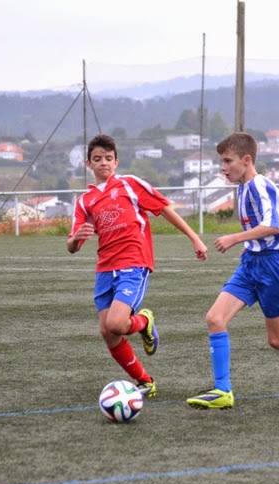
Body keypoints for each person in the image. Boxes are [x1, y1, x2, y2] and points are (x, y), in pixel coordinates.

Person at [186, 132, 279, 411]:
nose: (223, 167)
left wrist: (235, 238)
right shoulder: (242, 188)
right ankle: (222, 391)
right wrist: (249, 244)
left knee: (276, 340)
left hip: (274, 267)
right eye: (222, 162)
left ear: (247, 159)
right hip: (252, 264)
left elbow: (273, 225)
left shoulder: (259, 185)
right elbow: (260, 228)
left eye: (228, 161)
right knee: (215, 318)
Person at [67, 134, 208, 397]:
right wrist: (75, 239)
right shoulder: (84, 201)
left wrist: (195, 238)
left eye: (108, 158)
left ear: (116, 161)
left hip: (133, 263)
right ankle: (145, 382)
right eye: (97, 159)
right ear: (88, 163)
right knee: (107, 332)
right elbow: (72, 246)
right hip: (105, 269)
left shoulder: (130, 184)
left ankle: (143, 321)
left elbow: (165, 209)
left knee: (118, 323)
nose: (103, 163)